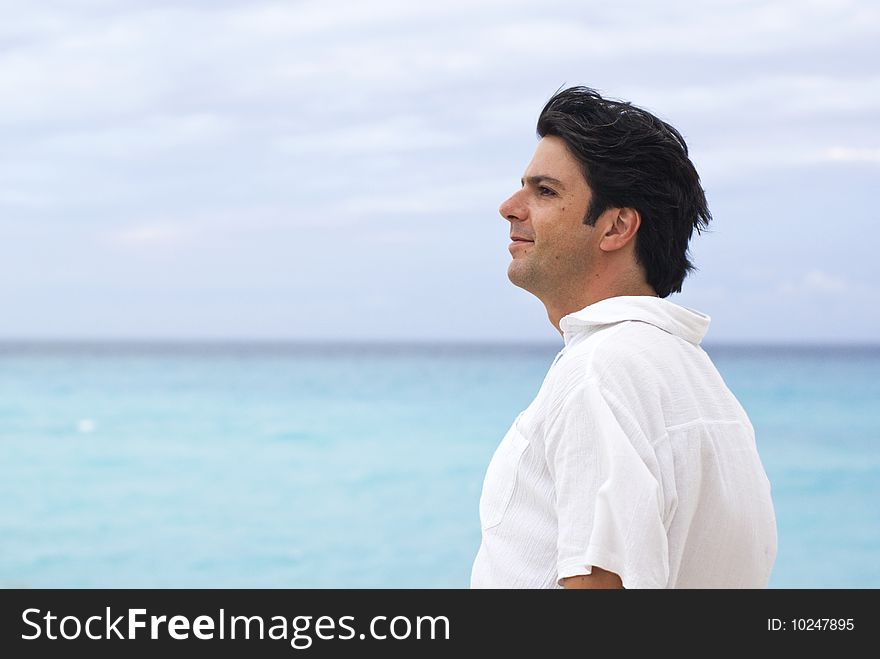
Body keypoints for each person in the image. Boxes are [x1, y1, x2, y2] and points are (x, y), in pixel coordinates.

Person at [470, 87, 777, 589]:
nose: (509, 206)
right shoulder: (703, 385)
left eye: (544, 191)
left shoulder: (600, 369)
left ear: (615, 227)